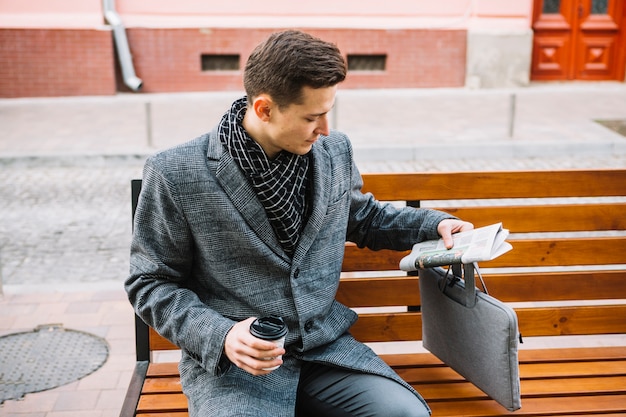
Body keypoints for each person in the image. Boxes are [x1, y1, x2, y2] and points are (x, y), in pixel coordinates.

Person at [126, 30, 473, 417]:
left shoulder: (333, 150)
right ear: (263, 109)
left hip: (326, 350)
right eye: (312, 116)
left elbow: (362, 217)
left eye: (328, 112)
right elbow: (150, 282)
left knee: (406, 415)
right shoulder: (175, 172)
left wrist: (435, 224)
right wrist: (221, 336)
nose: (325, 128)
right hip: (239, 367)